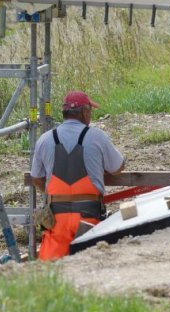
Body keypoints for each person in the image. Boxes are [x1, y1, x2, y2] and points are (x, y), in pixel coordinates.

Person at [30, 91, 124, 261]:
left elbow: (36, 178)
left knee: (51, 270)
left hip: (56, 221)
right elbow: (117, 167)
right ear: (85, 112)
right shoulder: (97, 137)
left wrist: (55, 194)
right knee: (90, 265)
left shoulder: (44, 139)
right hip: (89, 219)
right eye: (90, 111)